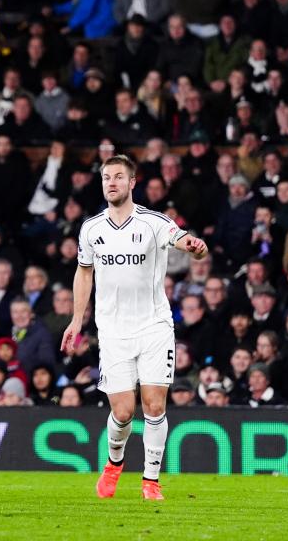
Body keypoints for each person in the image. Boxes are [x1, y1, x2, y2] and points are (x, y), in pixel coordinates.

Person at [63, 154, 208, 501]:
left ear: (132, 183)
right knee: (123, 411)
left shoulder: (153, 223)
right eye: (105, 177)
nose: (111, 182)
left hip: (154, 327)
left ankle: (151, 481)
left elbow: (181, 239)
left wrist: (194, 247)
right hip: (112, 331)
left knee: (155, 405)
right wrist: (76, 318)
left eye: (117, 177)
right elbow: (84, 273)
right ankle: (114, 464)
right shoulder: (91, 229)